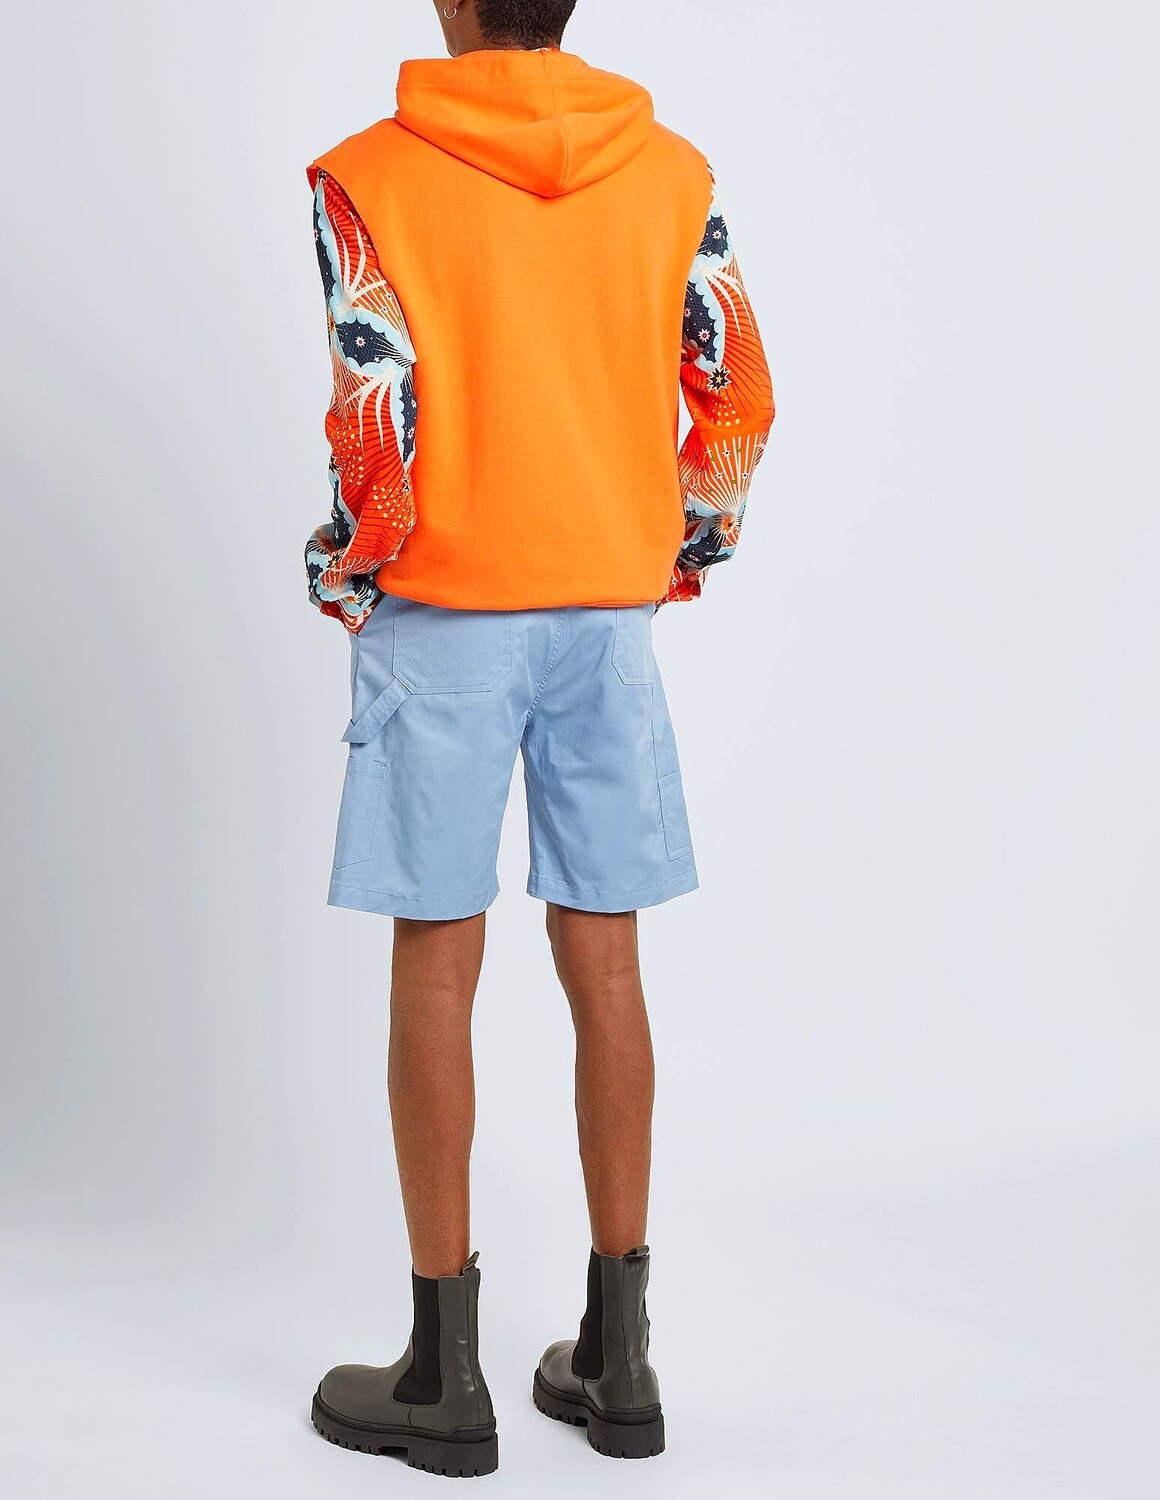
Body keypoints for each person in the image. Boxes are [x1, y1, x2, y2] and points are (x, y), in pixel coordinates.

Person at [302, 0, 775, 1478]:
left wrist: (349, 570)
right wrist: (677, 545)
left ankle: (441, 1374)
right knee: (607, 959)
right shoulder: (672, 172)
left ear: (453, 4)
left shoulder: (368, 175)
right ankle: (620, 1359)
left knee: (435, 962)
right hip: (602, 613)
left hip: (446, 611)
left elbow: (379, 412)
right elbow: (733, 391)